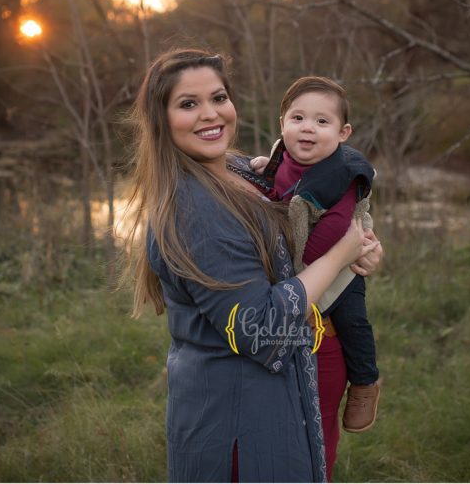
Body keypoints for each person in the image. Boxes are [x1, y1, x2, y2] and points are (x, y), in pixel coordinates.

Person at [123, 49, 382, 483]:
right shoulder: (195, 208)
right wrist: (342, 252)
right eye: (188, 104)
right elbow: (258, 328)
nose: (211, 114)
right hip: (240, 409)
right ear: (160, 120)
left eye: (218, 97)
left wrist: (365, 248)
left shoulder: (241, 169)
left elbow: (305, 223)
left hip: (279, 391)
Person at [248, 77, 380, 465]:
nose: (308, 127)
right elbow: (277, 187)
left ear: (343, 133)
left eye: (322, 122)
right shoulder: (283, 157)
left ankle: (366, 381)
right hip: (303, 273)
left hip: (337, 262)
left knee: (353, 319)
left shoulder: (344, 173)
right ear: (282, 124)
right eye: (298, 117)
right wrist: (263, 171)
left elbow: (337, 228)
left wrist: (303, 267)